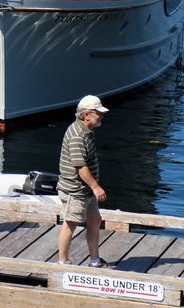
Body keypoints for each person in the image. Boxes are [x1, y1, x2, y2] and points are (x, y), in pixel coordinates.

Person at [56, 95, 110, 268]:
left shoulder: (86, 131)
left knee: (94, 220)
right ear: (86, 115)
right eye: (98, 113)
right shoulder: (77, 136)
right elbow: (80, 167)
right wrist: (96, 187)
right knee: (70, 224)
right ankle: (63, 262)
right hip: (75, 190)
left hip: (86, 189)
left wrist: (92, 188)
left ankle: (94, 260)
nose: (101, 116)